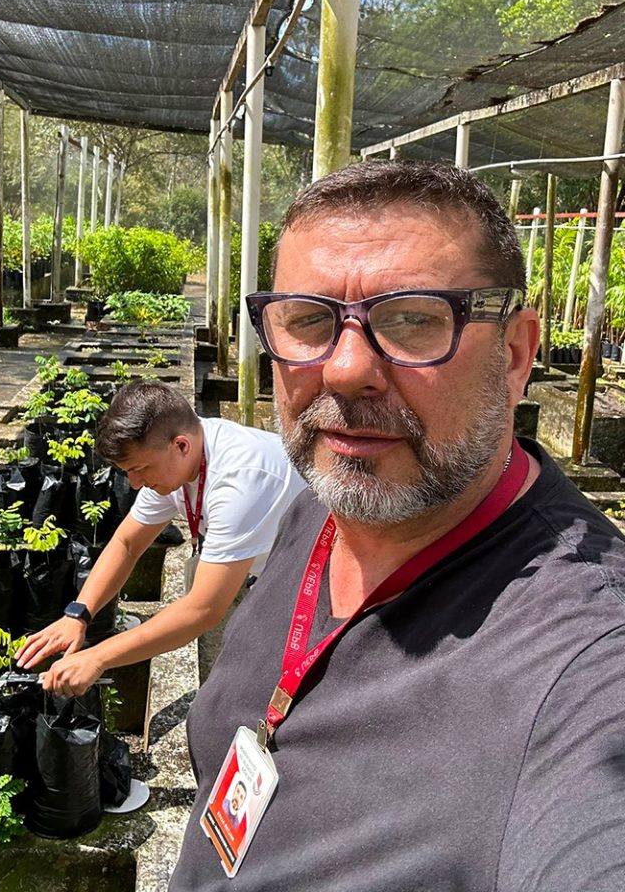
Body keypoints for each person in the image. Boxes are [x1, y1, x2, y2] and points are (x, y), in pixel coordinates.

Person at [168, 160, 625, 891]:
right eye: (309, 320)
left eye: (414, 320)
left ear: (514, 353)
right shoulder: (324, 502)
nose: (347, 370)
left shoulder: (583, 664)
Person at [16, 380, 306, 694]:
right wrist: (78, 614)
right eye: (128, 471)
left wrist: (98, 657)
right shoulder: (177, 462)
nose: (136, 483)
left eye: (139, 469)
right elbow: (127, 544)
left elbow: (203, 610)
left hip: (321, 574)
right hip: (271, 562)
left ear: (181, 445)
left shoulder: (240, 482)